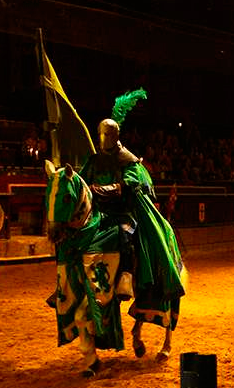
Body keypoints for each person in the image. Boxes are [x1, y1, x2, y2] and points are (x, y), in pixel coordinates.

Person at [79, 118, 186, 328]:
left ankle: (126, 275)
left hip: (124, 213)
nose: (104, 139)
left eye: (108, 135)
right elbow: (81, 181)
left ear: (115, 136)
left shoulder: (128, 160)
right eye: (102, 135)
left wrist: (98, 189)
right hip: (99, 213)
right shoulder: (93, 161)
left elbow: (128, 184)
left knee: (124, 234)